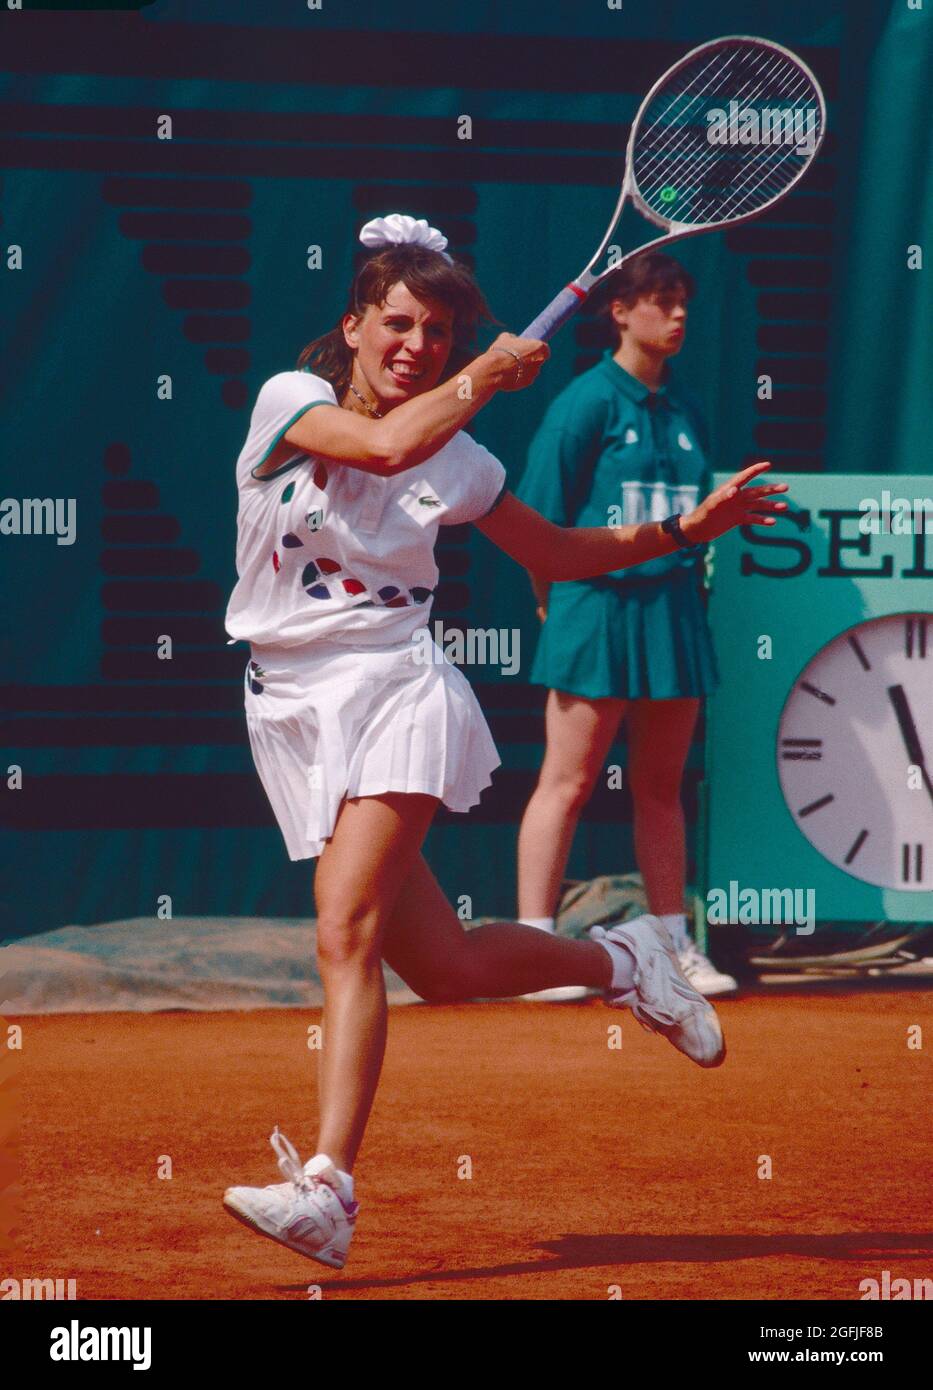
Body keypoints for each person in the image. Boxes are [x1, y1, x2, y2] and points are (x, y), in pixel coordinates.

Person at [220, 215, 788, 1270]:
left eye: (438, 331)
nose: (416, 344)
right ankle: (627, 961)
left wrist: (681, 532)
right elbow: (383, 443)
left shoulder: (467, 459)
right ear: (351, 326)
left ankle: (329, 1191)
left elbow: (558, 550)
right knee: (445, 964)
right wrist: (484, 373)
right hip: (291, 709)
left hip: (397, 690)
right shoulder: (287, 405)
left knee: (344, 926)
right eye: (397, 322)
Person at [514, 252, 739, 999]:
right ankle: (535, 951)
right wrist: (554, 603)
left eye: (683, 304)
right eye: (661, 302)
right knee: (566, 782)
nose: (676, 316)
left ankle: (675, 948)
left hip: (671, 614)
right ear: (619, 310)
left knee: (660, 786)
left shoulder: (684, 410)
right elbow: (538, 523)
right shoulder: (583, 404)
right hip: (593, 611)